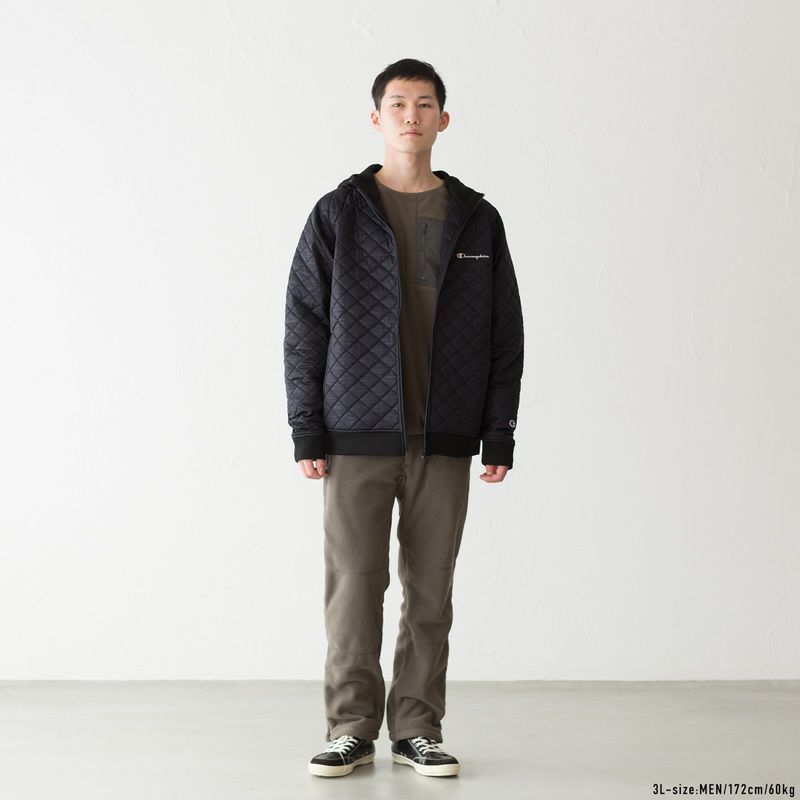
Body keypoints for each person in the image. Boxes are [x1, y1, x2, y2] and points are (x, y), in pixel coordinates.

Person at [283, 58, 524, 778]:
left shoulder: (476, 218)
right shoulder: (338, 212)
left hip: (444, 438)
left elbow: (505, 334)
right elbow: (304, 323)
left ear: (443, 120)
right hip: (355, 437)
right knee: (353, 586)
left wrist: (499, 430)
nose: (411, 116)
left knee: (430, 593)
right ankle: (351, 727)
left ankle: (417, 727)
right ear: (376, 118)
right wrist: (306, 426)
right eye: (397, 104)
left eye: (424, 104)